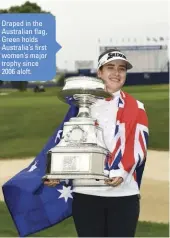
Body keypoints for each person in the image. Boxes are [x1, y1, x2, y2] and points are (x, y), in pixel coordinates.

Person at [44, 48, 149, 237]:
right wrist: (58, 172)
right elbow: (68, 142)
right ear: (99, 72)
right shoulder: (81, 106)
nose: (116, 73)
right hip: (87, 193)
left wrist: (123, 170)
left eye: (121, 69)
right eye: (110, 67)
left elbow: (138, 146)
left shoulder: (137, 107)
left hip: (123, 194)